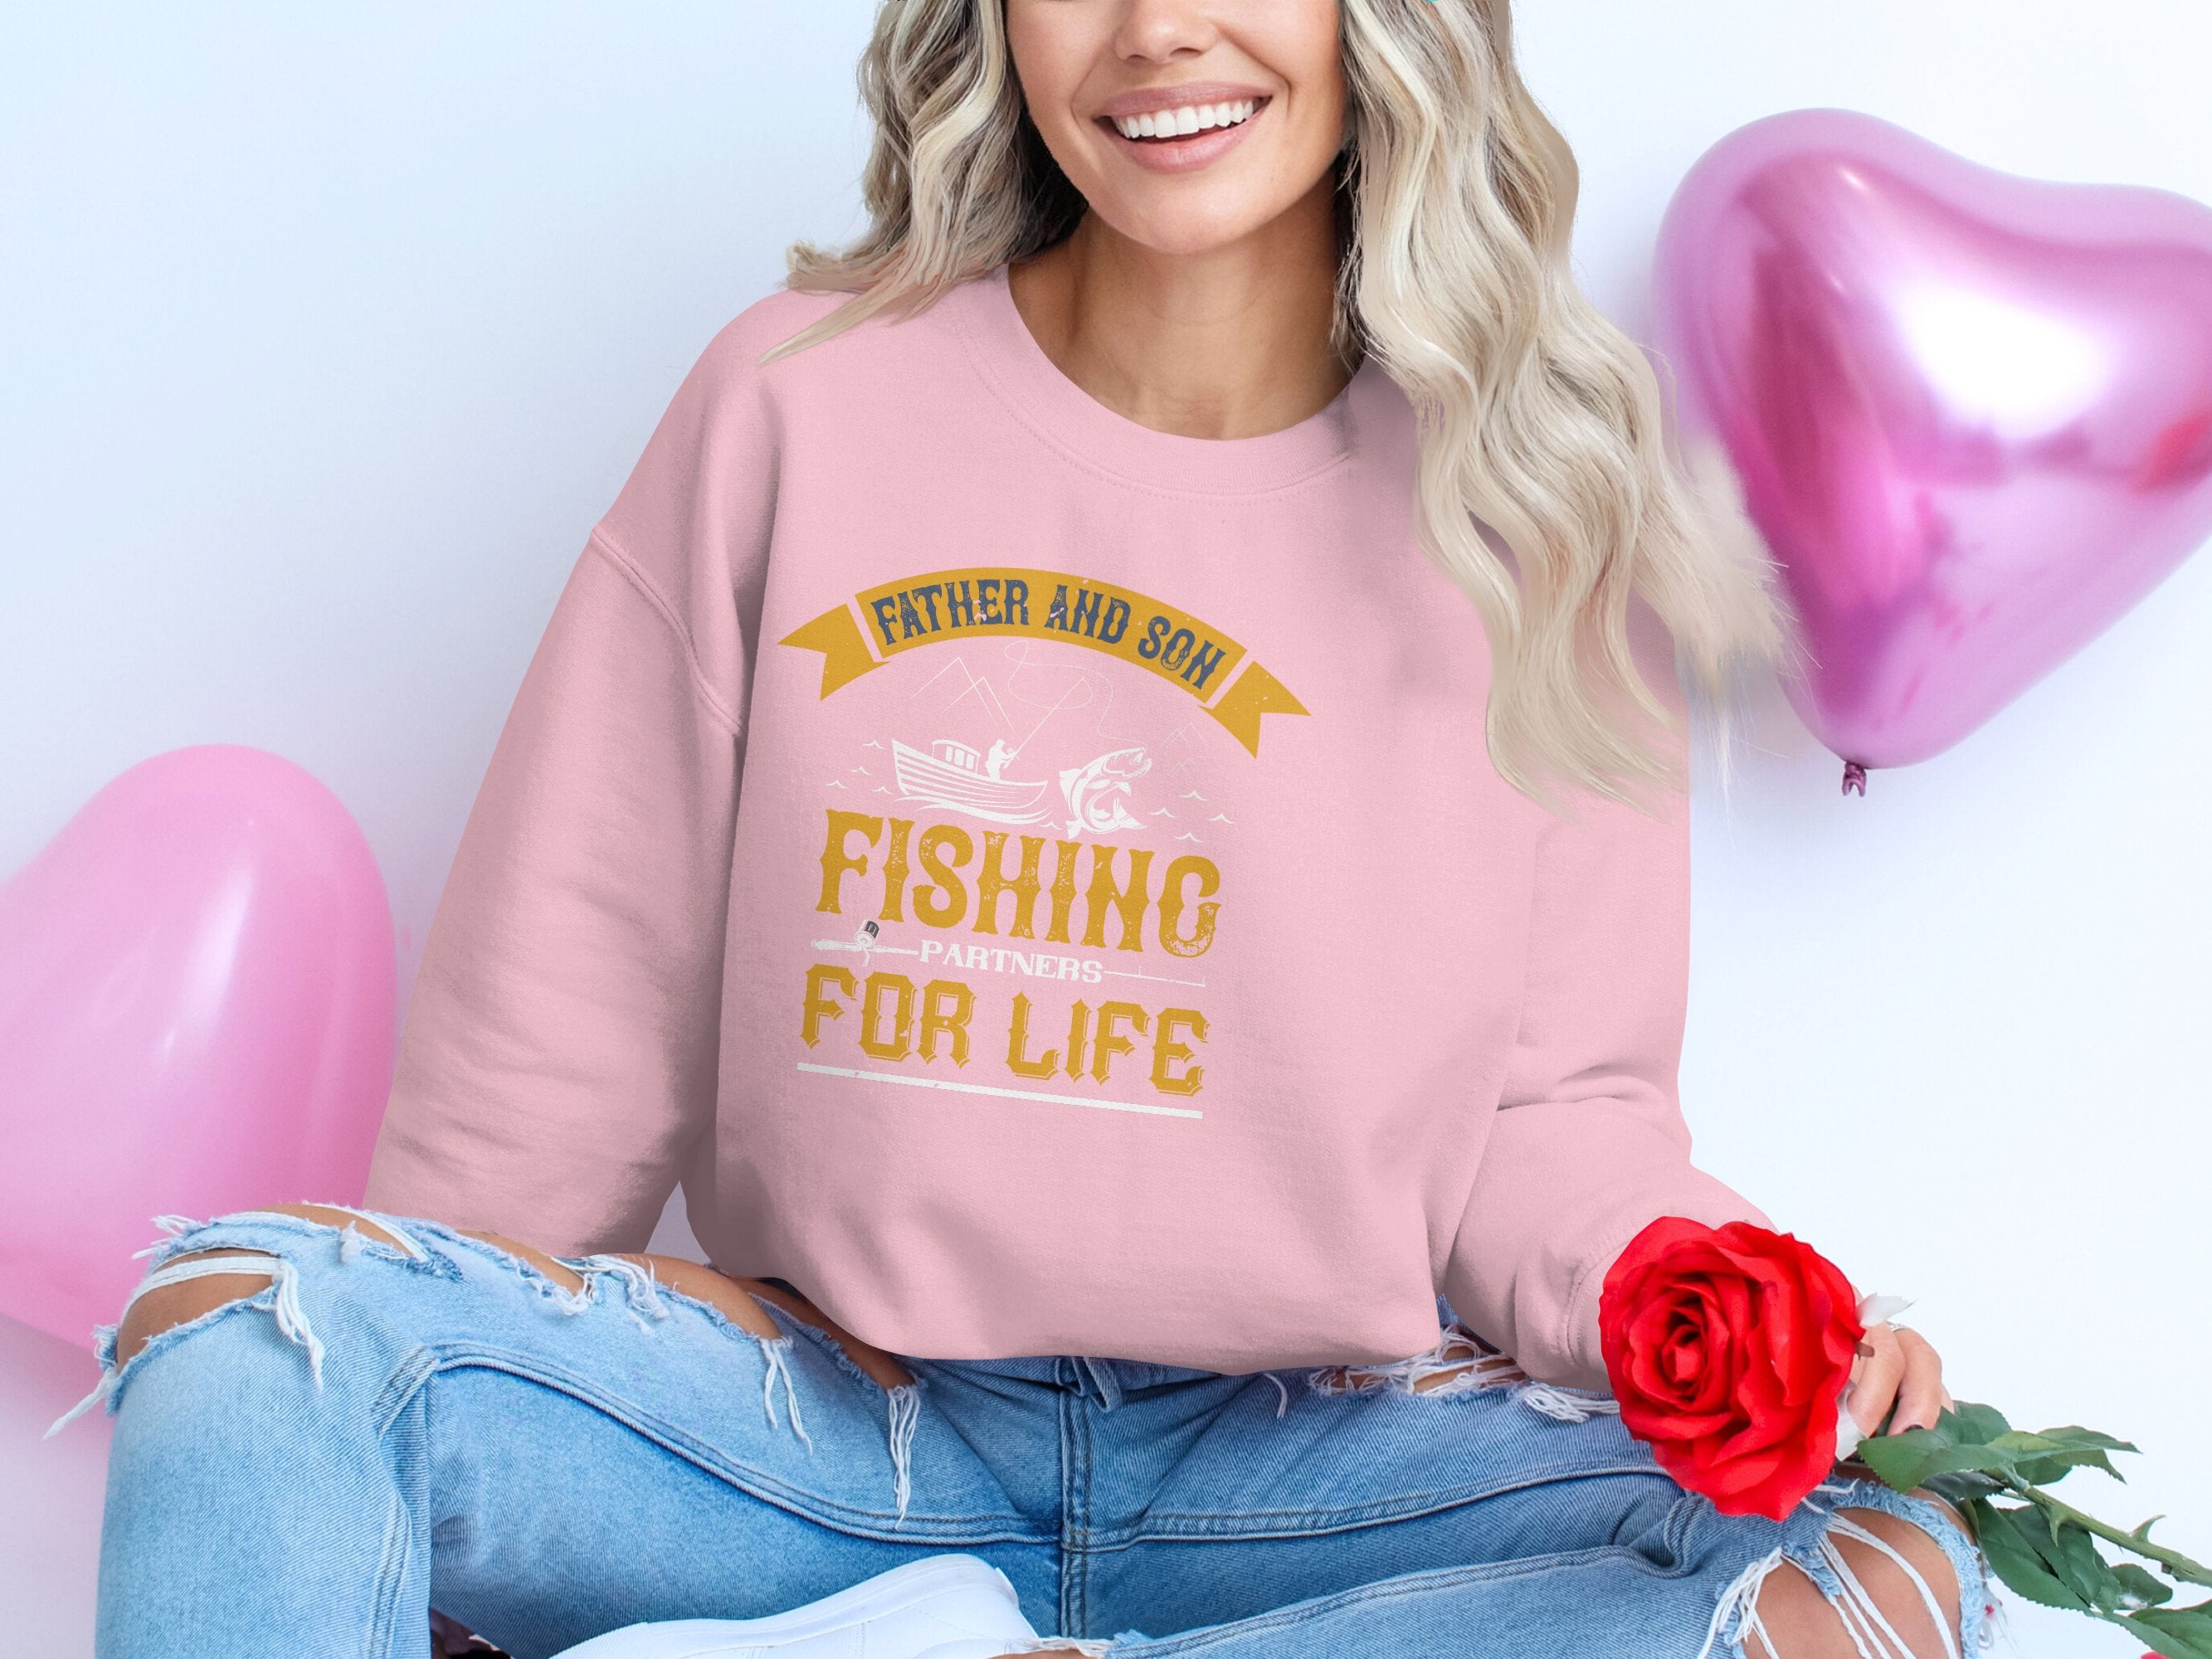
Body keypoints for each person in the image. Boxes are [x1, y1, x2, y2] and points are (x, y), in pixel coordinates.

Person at [76, 2, 1992, 1657]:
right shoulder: (797, 407)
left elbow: (1555, 1120)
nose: (1157, 32)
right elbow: (567, 1011)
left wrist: (1742, 1311)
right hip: (829, 1440)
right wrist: (460, 1389)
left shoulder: (1536, 504)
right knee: (250, 1332)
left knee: (1887, 1560)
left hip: (1306, 1466)